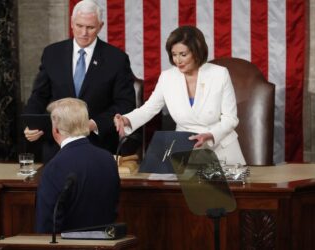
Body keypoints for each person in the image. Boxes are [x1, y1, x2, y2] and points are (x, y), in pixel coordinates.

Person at [114, 26, 246, 165]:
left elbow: (230, 119)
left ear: (197, 52)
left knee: (224, 187)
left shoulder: (220, 74)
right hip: (187, 149)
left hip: (221, 149)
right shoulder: (167, 77)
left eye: (183, 54)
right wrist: (126, 119)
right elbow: (149, 109)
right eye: (174, 54)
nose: (178, 60)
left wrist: (210, 136)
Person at [24, 0, 135, 163]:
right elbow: (39, 95)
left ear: (101, 26)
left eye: (90, 27)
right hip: (56, 146)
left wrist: (94, 124)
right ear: (71, 23)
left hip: (98, 146)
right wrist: (31, 123)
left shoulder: (116, 59)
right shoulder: (52, 53)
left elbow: (125, 104)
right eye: (79, 25)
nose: (84, 32)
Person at [35, 97, 120, 233]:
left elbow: (46, 225)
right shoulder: (108, 159)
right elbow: (113, 209)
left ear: (55, 130)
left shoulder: (54, 167)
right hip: (105, 243)